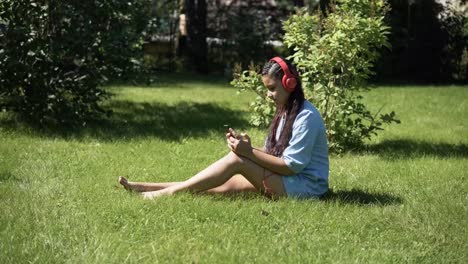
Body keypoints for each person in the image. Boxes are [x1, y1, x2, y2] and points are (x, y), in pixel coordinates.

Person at [119, 57, 329, 200]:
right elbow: (273, 157)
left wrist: (247, 153)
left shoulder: (306, 117)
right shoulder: (285, 111)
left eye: (272, 89)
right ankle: (145, 187)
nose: (268, 95)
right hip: (288, 181)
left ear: (289, 83)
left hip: (305, 188)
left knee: (237, 160)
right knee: (210, 186)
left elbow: (290, 166)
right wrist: (248, 148)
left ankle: (167, 195)